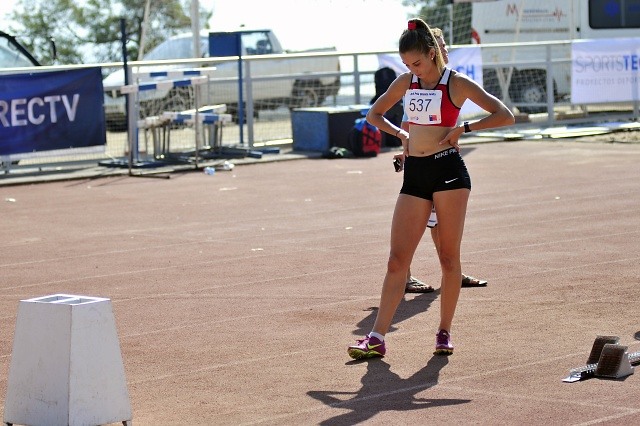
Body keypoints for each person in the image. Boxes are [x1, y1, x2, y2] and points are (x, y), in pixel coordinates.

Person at [348, 18, 514, 359]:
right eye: (407, 65)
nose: (413, 70)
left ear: (433, 53)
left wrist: (464, 128)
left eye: (418, 63)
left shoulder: (457, 83)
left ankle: (444, 331)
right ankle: (377, 336)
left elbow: (505, 115)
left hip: (449, 174)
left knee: (449, 258)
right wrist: (401, 134)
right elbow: (374, 114)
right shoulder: (406, 82)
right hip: (416, 174)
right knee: (397, 261)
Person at [402, 27, 487, 293]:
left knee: (438, 222)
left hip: (444, 161)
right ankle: (405, 275)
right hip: (422, 164)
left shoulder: (452, 82)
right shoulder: (416, 82)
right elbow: (409, 123)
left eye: (445, 45)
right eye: (440, 46)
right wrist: (406, 144)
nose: (444, 50)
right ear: (431, 51)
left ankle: (451, 270)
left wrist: (459, 132)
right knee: (415, 226)